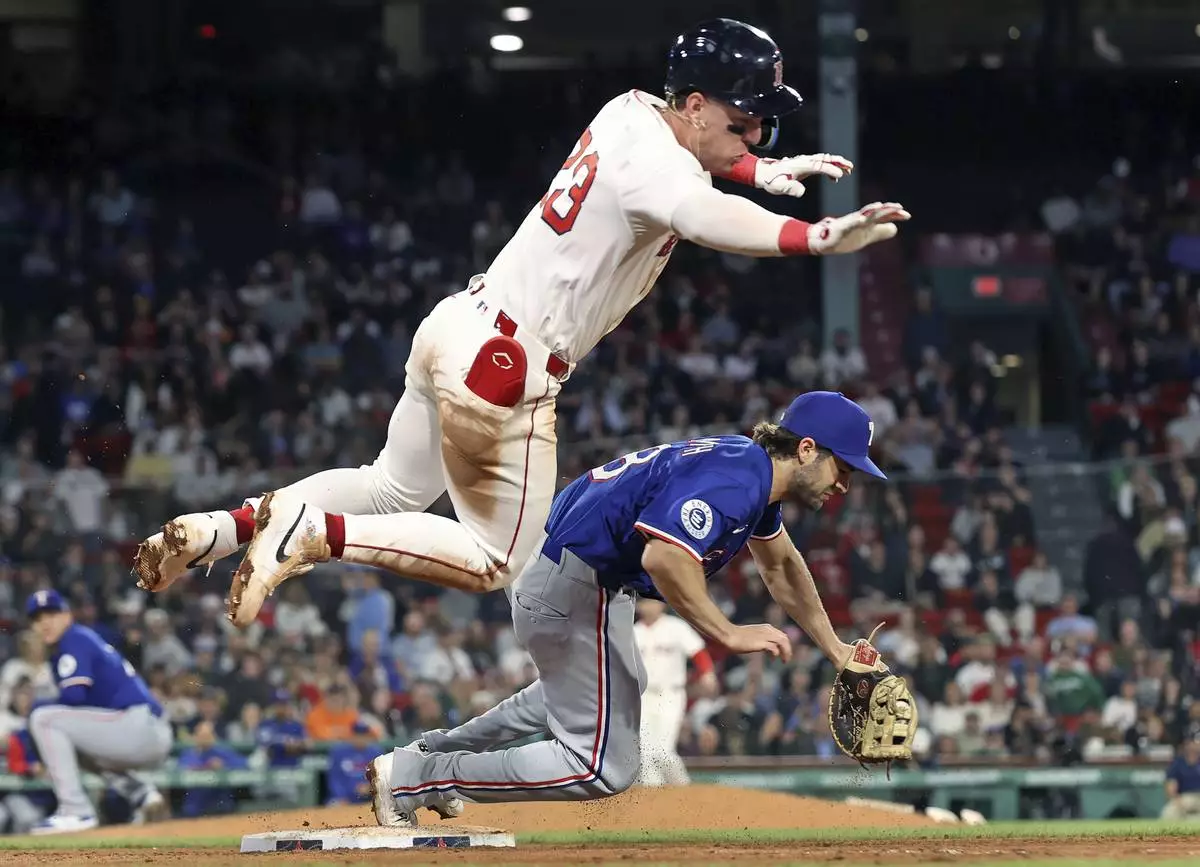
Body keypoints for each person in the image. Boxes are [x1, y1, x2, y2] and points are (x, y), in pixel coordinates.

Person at [132, 18, 909, 627]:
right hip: (507, 365)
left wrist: (758, 167)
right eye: (747, 123)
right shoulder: (667, 172)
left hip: (459, 321)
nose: (757, 137)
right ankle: (308, 534)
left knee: (390, 488)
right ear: (698, 105)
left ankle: (221, 528)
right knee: (494, 558)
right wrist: (815, 236)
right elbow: (703, 213)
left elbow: (701, 162)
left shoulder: (632, 110)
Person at [362, 391, 891, 827]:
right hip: (574, 581)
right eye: (843, 467)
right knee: (604, 767)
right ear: (806, 449)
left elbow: (783, 567)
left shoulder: (748, 470)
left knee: (615, 688)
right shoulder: (739, 479)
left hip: (568, 571)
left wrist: (836, 650)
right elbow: (664, 557)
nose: (845, 483)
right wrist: (726, 632)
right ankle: (417, 778)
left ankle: (427, 754)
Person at [23, 590, 172, 834]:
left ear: (67, 616)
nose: (45, 623)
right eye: (38, 618)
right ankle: (143, 794)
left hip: (138, 726)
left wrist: (36, 708)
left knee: (43, 719)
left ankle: (75, 811)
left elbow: (74, 696)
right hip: (144, 730)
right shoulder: (76, 641)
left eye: (51, 614)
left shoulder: (73, 639)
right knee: (72, 740)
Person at [633, 597, 715, 787]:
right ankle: (656, 796)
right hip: (643, 696)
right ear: (638, 606)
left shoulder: (676, 627)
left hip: (670, 694)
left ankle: (682, 790)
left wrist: (707, 673)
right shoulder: (633, 632)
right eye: (645, 602)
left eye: (653, 601)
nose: (650, 606)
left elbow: (698, 651)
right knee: (645, 751)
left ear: (662, 604)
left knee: (663, 751)